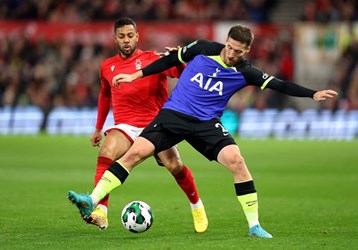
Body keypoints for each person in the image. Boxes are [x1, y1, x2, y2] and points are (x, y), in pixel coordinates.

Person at [68, 24, 338, 238]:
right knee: (134, 154)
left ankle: (254, 226)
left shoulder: (247, 72)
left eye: (239, 52)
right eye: (230, 48)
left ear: (247, 51)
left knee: (237, 161)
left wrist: (312, 94)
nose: (232, 55)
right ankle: (91, 201)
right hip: (174, 114)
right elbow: (169, 60)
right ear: (226, 42)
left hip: (206, 123)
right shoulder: (204, 47)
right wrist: (134, 76)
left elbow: (280, 84)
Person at [74, 17, 208, 233]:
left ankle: (197, 206)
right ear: (115, 39)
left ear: (137, 37)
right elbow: (105, 95)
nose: (126, 40)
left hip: (156, 124)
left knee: (174, 166)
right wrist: (99, 128)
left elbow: (184, 76)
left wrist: (180, 61)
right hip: (126, 125)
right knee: (106, 151)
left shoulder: (153, 58)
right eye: (121, 36)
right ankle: (101, 211)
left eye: (130, 35)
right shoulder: (107, 66)